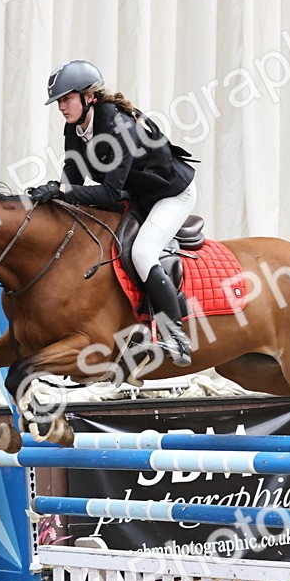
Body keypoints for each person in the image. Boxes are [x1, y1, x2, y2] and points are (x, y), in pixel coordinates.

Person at [27, 59, 196, 367]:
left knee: (143, 252)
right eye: (58, 101)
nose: (61, 107)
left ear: (89, 97)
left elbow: (108, 193)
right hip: (139, 194)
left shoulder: (118, 127)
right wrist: (52, 196)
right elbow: (73, 178)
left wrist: (63, 192)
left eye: (66, 98)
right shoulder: (75, 128)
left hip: (172, 194)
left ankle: (177, 336)